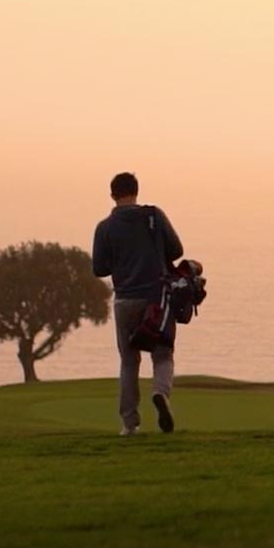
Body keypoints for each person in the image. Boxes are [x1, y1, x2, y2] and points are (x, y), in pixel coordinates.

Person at [92, 172, 185, 436]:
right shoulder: (154, 216)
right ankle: (160, 393)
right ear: (137, 191)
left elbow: (99, 268)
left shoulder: (105, 227)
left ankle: (129, 424)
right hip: (156, 299)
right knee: (163, 354)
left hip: (124, 300)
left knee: (129, 362)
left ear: (112, 195)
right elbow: (177, 250)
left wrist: (121, 263)